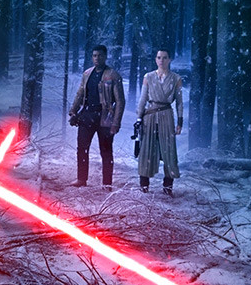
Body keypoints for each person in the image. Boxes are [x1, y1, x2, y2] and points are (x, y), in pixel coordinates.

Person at [68, 45, 125, 188]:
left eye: (100, 55)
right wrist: (73, 110)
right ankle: (81, 179)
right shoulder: (87, 73)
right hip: (87, 115)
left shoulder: (113, 75)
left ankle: (107, 183)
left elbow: (120, 101)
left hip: (105, 117)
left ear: (105, 56)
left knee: (106, 151)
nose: (97, 58)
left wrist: (116, 122)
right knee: (82, 148)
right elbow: (80, 93)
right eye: (94, 55)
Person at [135, 48, 183, 196]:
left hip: (166, 115)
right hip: (149, 116)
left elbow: (179, 103)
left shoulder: (176, 78)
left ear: (169, 60)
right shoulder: (148, 77)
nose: (161, 60)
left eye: (165, 57)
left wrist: (180, 122)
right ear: (156, 59)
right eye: (159, 57)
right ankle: (144, 186)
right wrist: (139, 118)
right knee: (146, 150)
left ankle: (168, 187)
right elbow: (143, 99)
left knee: (169, 150)